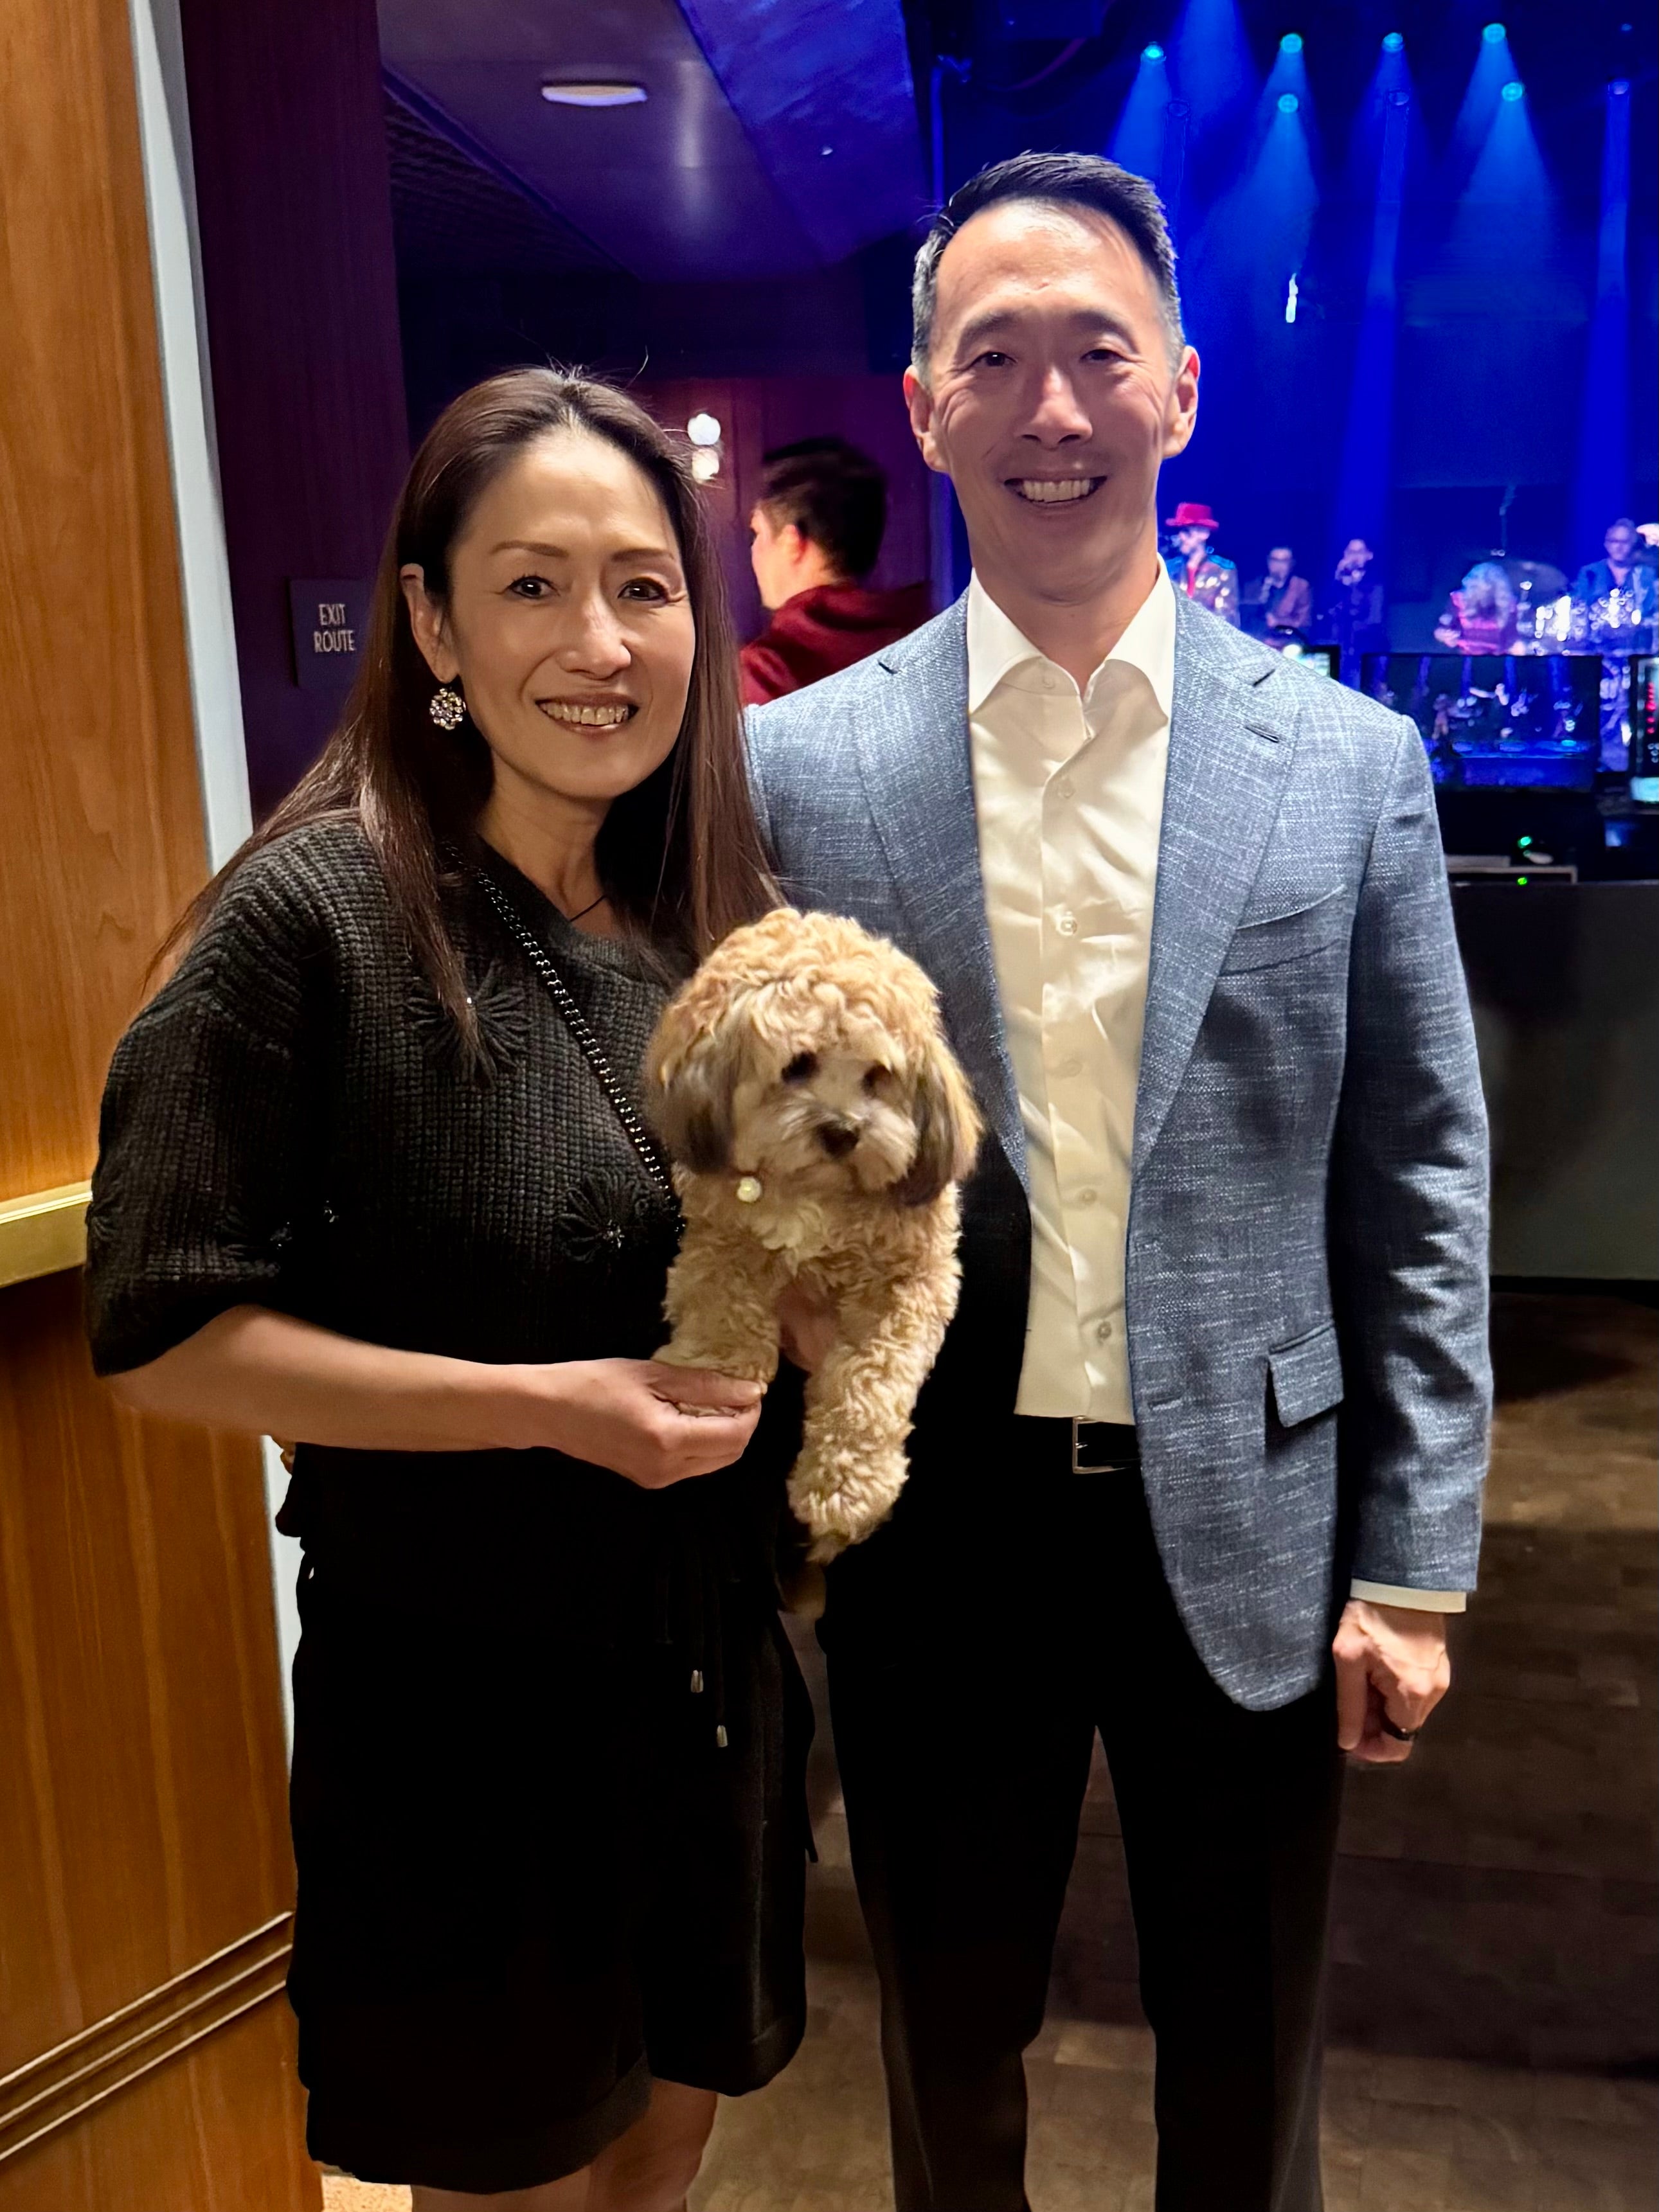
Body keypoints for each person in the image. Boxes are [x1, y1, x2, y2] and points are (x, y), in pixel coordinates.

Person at [746, 152, 1489, 2211]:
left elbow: (1417, 1174)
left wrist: (1413, 1554)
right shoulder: (803, 767)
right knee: (940, 2056)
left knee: (1244, 2075)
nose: (1049, 409)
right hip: (937, 1523)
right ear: (923, 409)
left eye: (1094, 356)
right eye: (995, 359)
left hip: (1247, 1516)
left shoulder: (1343, 764)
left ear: (1176, 386)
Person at [84, 370, 816, 2212]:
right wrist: (548, 1407)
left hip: (698, 1672)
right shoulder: (312, 921)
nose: (598, 642)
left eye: (644, 588)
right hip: (460, 1710)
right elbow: (163, 1337)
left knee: (661, 2161)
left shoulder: (704, 923)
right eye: (531, 584)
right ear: (428, 620)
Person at [740, 436, 931, 703]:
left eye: (757, 533)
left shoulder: (770, 672)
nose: (754, 551)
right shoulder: (930, 643)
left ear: (792, 542)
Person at [1570, 516, 1658, 647]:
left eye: (1625, 542)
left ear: (1633, 545)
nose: (1619, 547)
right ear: (1606, 544)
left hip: (1635, 645)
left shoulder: (1646, 574)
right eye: (1614, 542)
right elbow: (1578, 609)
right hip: (1595, 647)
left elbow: (1652, 611)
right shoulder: (1590, 573)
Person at [1161, 499, 1239, 623]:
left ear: (1204, 533)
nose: (1181, 537)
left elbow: (1226, 619)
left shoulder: (1223, 570)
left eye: (1187, 532)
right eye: (1179, 531)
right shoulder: (1169, 568)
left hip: (1208, 640)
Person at [1435, 558, 1519, 654]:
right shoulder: (1458, 600)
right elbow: (1442, 628)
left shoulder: (1509, 604)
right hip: (1466, 655)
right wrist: (1445, 636)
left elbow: (1513, 639)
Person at [1320, 536, 1388, 654]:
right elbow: (1325, 606)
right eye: (1351, 552)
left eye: (1360, 552)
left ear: (1369, 555)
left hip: (1364, 645)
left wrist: (1354, 586)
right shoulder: (1337, 580)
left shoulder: (1376, 583)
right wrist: (1339, 578)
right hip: (1336, 642)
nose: (1355, 556)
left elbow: (1374, 619)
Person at [1241, 544, 1313, 645]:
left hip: (1287, 643)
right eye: (1275, 560)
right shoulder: (1253, 586)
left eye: (1284, 561)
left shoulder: (1300, 587)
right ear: (1268, 561)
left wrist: (1278, 622)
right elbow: (1246, 618)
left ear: (1292, 564)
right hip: (1257, 641)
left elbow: (1303, 623)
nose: (1279, 565)